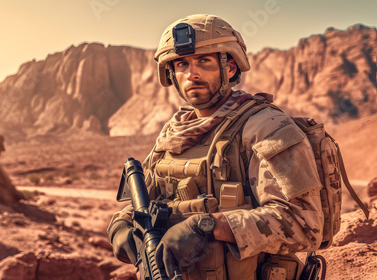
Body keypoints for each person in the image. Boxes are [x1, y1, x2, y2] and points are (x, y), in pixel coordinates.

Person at [107, 14, 324, 280]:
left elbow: (305, 224)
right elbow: (145, 204)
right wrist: (121, 226)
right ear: (172, 74)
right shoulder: (171, 134)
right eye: (181, 64)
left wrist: (209, 226)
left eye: (204, 61)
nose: (191, 73)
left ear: (230, 68)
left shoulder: (266, 128)